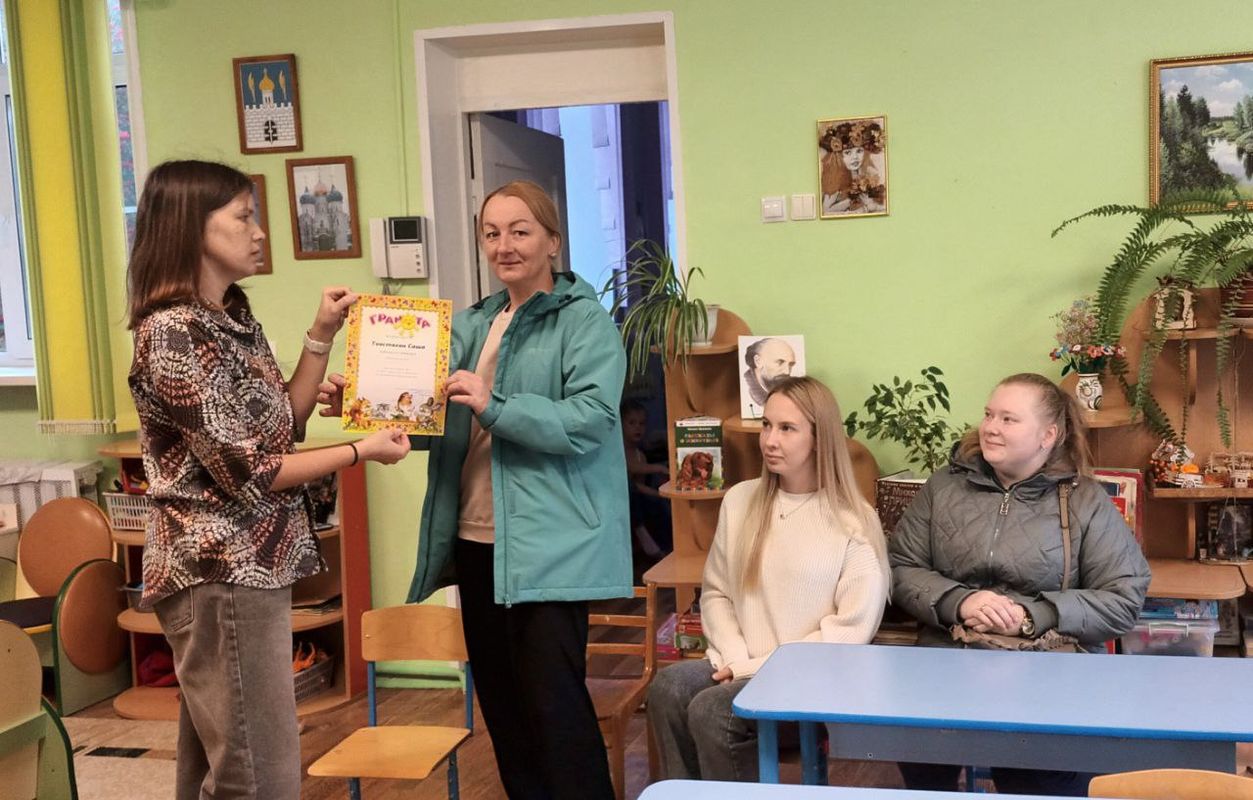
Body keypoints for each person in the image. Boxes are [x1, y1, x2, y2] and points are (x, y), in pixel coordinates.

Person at [322, 180, 631, 798]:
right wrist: (360, 405)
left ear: (552, 241)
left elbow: (591, 419)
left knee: (556, 712)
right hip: (476, 542)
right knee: (505, 712)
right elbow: (433, 420)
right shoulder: (468, 324)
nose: (504, 246)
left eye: (520, 231)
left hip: (552, 546)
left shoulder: (584, 320)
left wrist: (497, 405)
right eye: (491, 233)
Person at [126, 160, 411, 800]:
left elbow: (282, 426)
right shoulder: (173, 333)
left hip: (246, 567)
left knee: (224, 763)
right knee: (258, 774)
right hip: (219, 567)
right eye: (244, 217)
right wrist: (360, 451)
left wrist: (321, 336)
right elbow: (250, 471)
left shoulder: (229, 315)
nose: (259, 232)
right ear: (193, 228)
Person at [889, 372, 1151, 796]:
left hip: (1047, 668)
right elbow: (902, 566)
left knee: (1037, 773)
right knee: (921, 755)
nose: (991, 427)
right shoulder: (944, 486)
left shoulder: (1084, 499)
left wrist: (1035, 615)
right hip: (948, 657)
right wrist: (959, 601)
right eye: (989, 414)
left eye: (1008, 419)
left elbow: (1123, 597)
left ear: (1048, 435)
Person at [648, 376, 890, 782]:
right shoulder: (740, 500)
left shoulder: (854, 521)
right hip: (739, 662)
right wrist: (735, 659)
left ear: (819, 439)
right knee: (668, 689)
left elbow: (848, 632)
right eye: (766, 425)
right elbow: (717, 594)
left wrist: (753, 668)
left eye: (787, 428)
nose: (770, 440)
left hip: (811, 680)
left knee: (712, 711)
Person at [622, 398, 672, 559]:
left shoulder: (640, 455)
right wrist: (658, 468)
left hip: (639, 500)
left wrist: (657, 494)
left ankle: (667, 547)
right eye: (632, 423)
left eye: (642, 423)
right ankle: (646, 539)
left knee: (658, 504)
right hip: (621, 501)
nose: (638, 428)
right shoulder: (618, 452)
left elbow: (639, 486)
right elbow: (631, 471)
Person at [820, 119, 886, 215]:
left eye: (859, 151)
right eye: (847, 153)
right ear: (839, 156)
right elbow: (825, 211)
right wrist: (863, 207)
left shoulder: (867, 175)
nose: (855, 157)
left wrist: (871, 204)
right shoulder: (836, 178)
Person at [743, 337, 797, 410]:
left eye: (791, 364)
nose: (787, 372)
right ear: (758, 361)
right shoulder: (745, 393)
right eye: (780, 362)